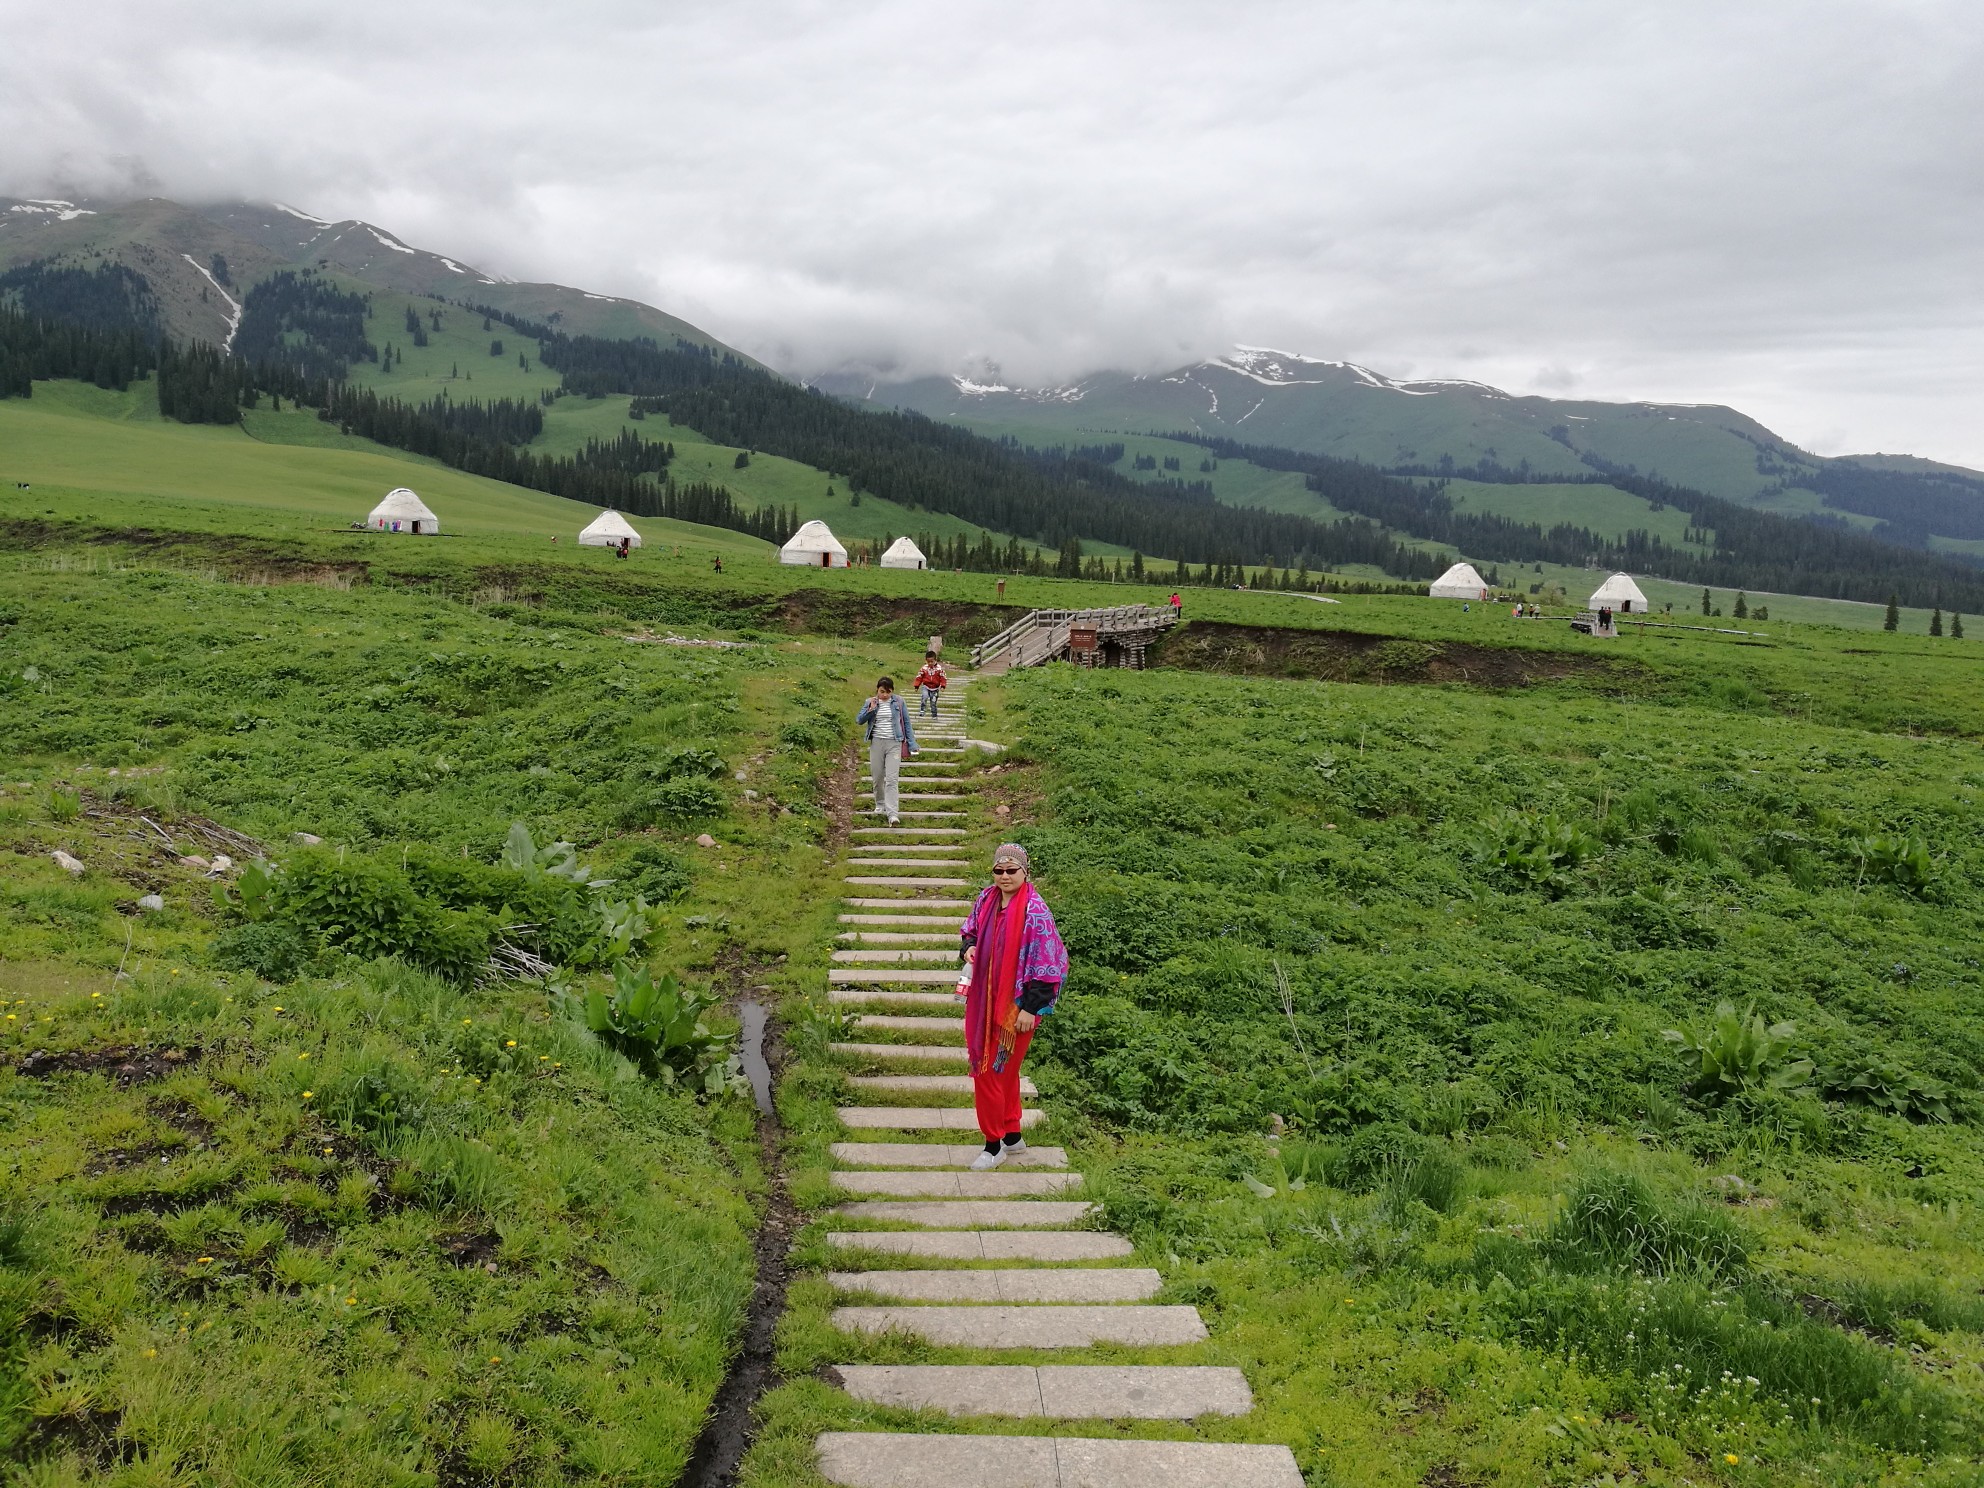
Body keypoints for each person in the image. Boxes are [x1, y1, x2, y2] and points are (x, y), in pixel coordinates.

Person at [957, 844, 1067, 1169]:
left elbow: (1050, 963)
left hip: (1017, 1009)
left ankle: (993, 1145)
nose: (1004, 876)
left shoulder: (1035, 911)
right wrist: (970, 948)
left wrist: (1030, 1009)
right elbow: (970, 931)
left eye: (1011, 871)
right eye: (998, 871)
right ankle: (1013, 1135)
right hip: (986, 1001)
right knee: (1004, 1072)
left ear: (1025, 872)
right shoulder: (986, 900)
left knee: (990, 1071)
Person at [855, 677, 917, 825]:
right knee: (877, 777)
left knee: (892, 779)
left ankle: (893, 814)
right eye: (882, 691)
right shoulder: (870, 702)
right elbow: (859, 720)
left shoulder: (899, 702)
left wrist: (912, 743)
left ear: (892, 691)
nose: (885, 695)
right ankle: (880, 804)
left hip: (894, 743)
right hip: (876, 742)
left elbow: (906, 722)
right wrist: (871, 709)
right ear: (877, 690)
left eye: (888, 692)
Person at [912, 651, 947, 717]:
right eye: (928, 662)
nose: (930, 663)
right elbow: (919, 677)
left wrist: (943, 685)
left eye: (932, 661)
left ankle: (934, 714)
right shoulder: (924, 668)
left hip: (935, 688)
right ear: (926, 661)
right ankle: (922, 710)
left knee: (933, 702)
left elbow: (943, 677)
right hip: (926, 686)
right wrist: (916, 686)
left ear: (935, 660)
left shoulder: (939, 669)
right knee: (924, 697)